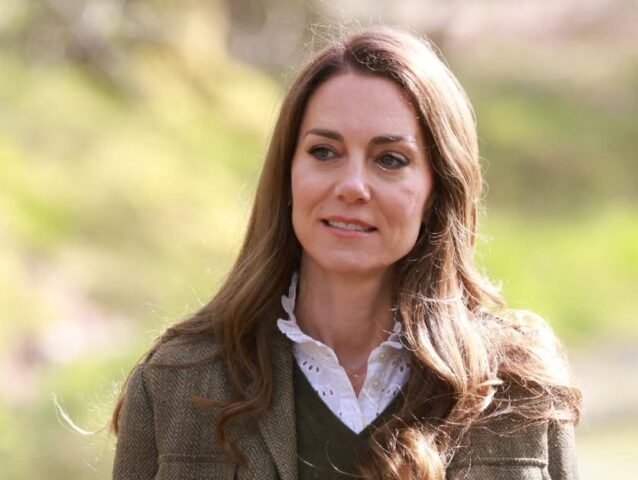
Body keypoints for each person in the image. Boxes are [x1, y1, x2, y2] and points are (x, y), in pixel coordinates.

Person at [111, 26, 581, 480]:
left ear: (437, 190)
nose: (352, 186)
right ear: (288, 175)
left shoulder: (519, 389)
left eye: (390, 159)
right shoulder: (176, 383)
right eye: (324, 152)